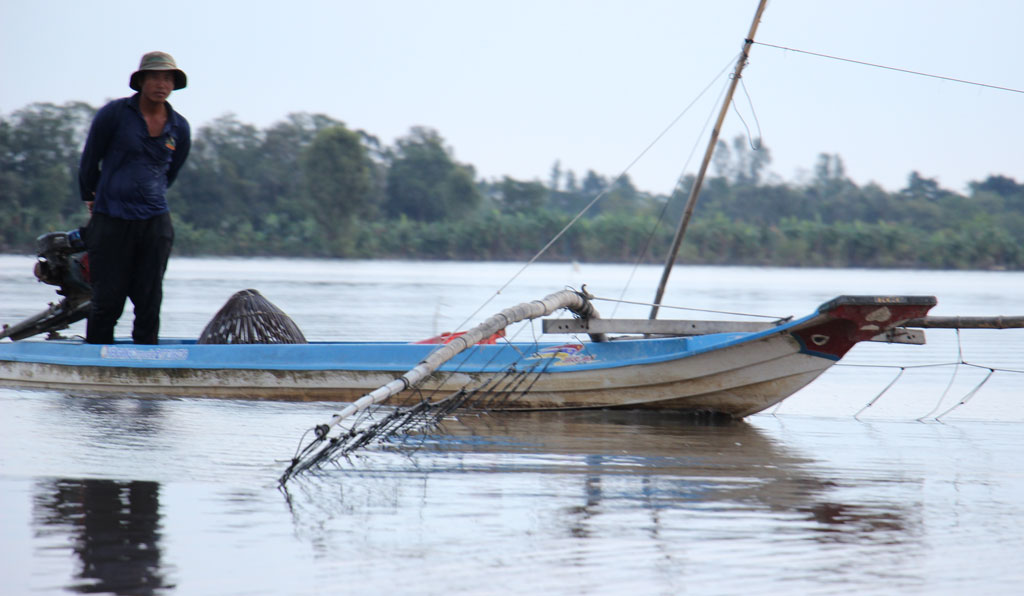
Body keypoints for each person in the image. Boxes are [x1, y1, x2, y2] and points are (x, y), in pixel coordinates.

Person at [78, 51, 191, 344]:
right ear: (141, 81)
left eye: (167, 78)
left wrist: (147, 196)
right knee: (108, 299)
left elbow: (170, 174)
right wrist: (92, 196)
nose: (161, 84)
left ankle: (145, 370)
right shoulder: (114, 115)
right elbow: (90, 162)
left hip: (154, 221)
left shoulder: (179, 127)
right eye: (154, 77)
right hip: (110, 218)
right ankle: (96, 369)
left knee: (149, 298)